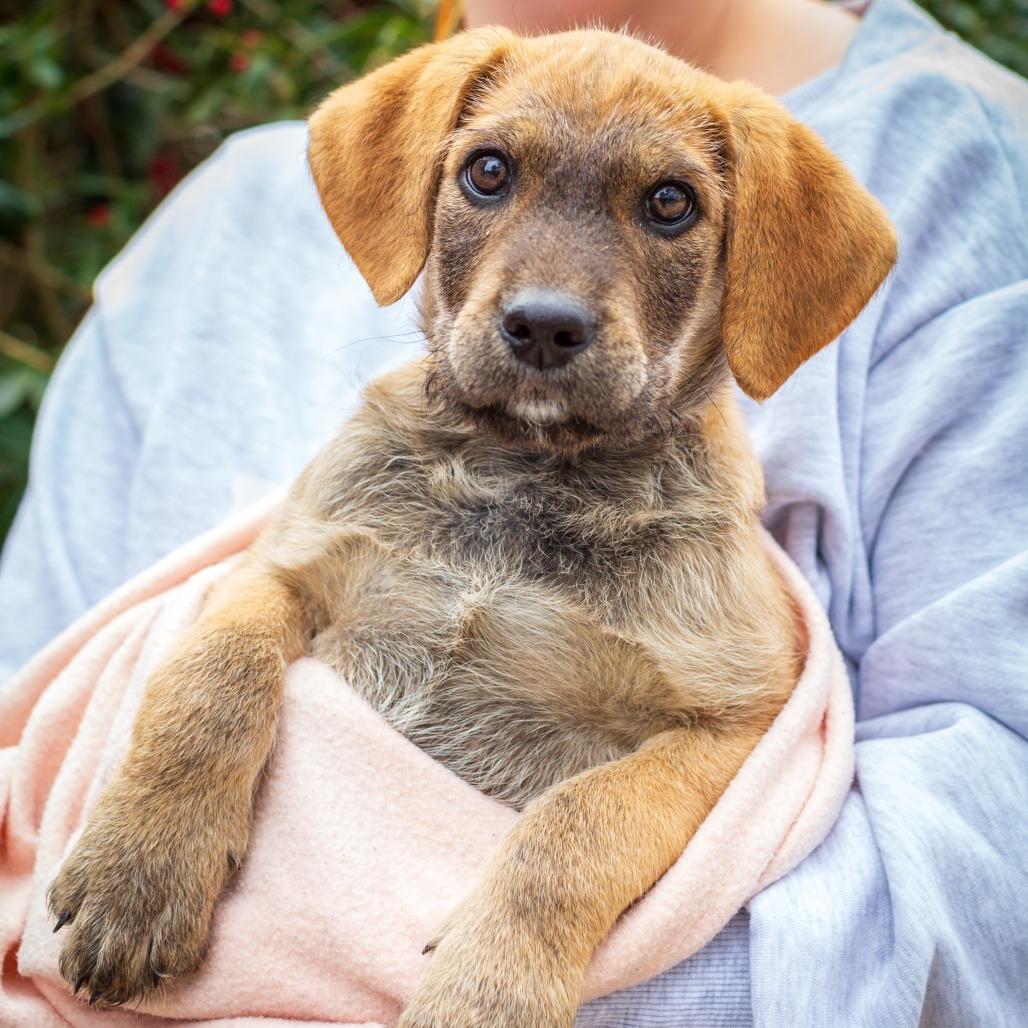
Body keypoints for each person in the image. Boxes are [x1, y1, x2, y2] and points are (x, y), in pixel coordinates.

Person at [2, 0, 1026, 1023]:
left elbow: (732, 739)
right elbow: (246, 598)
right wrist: (193, 745)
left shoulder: (978, 174)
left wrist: (544, 905)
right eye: (490, 176)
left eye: (666, 206)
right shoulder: (229, 230)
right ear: (420, 178)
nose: (550, 297)